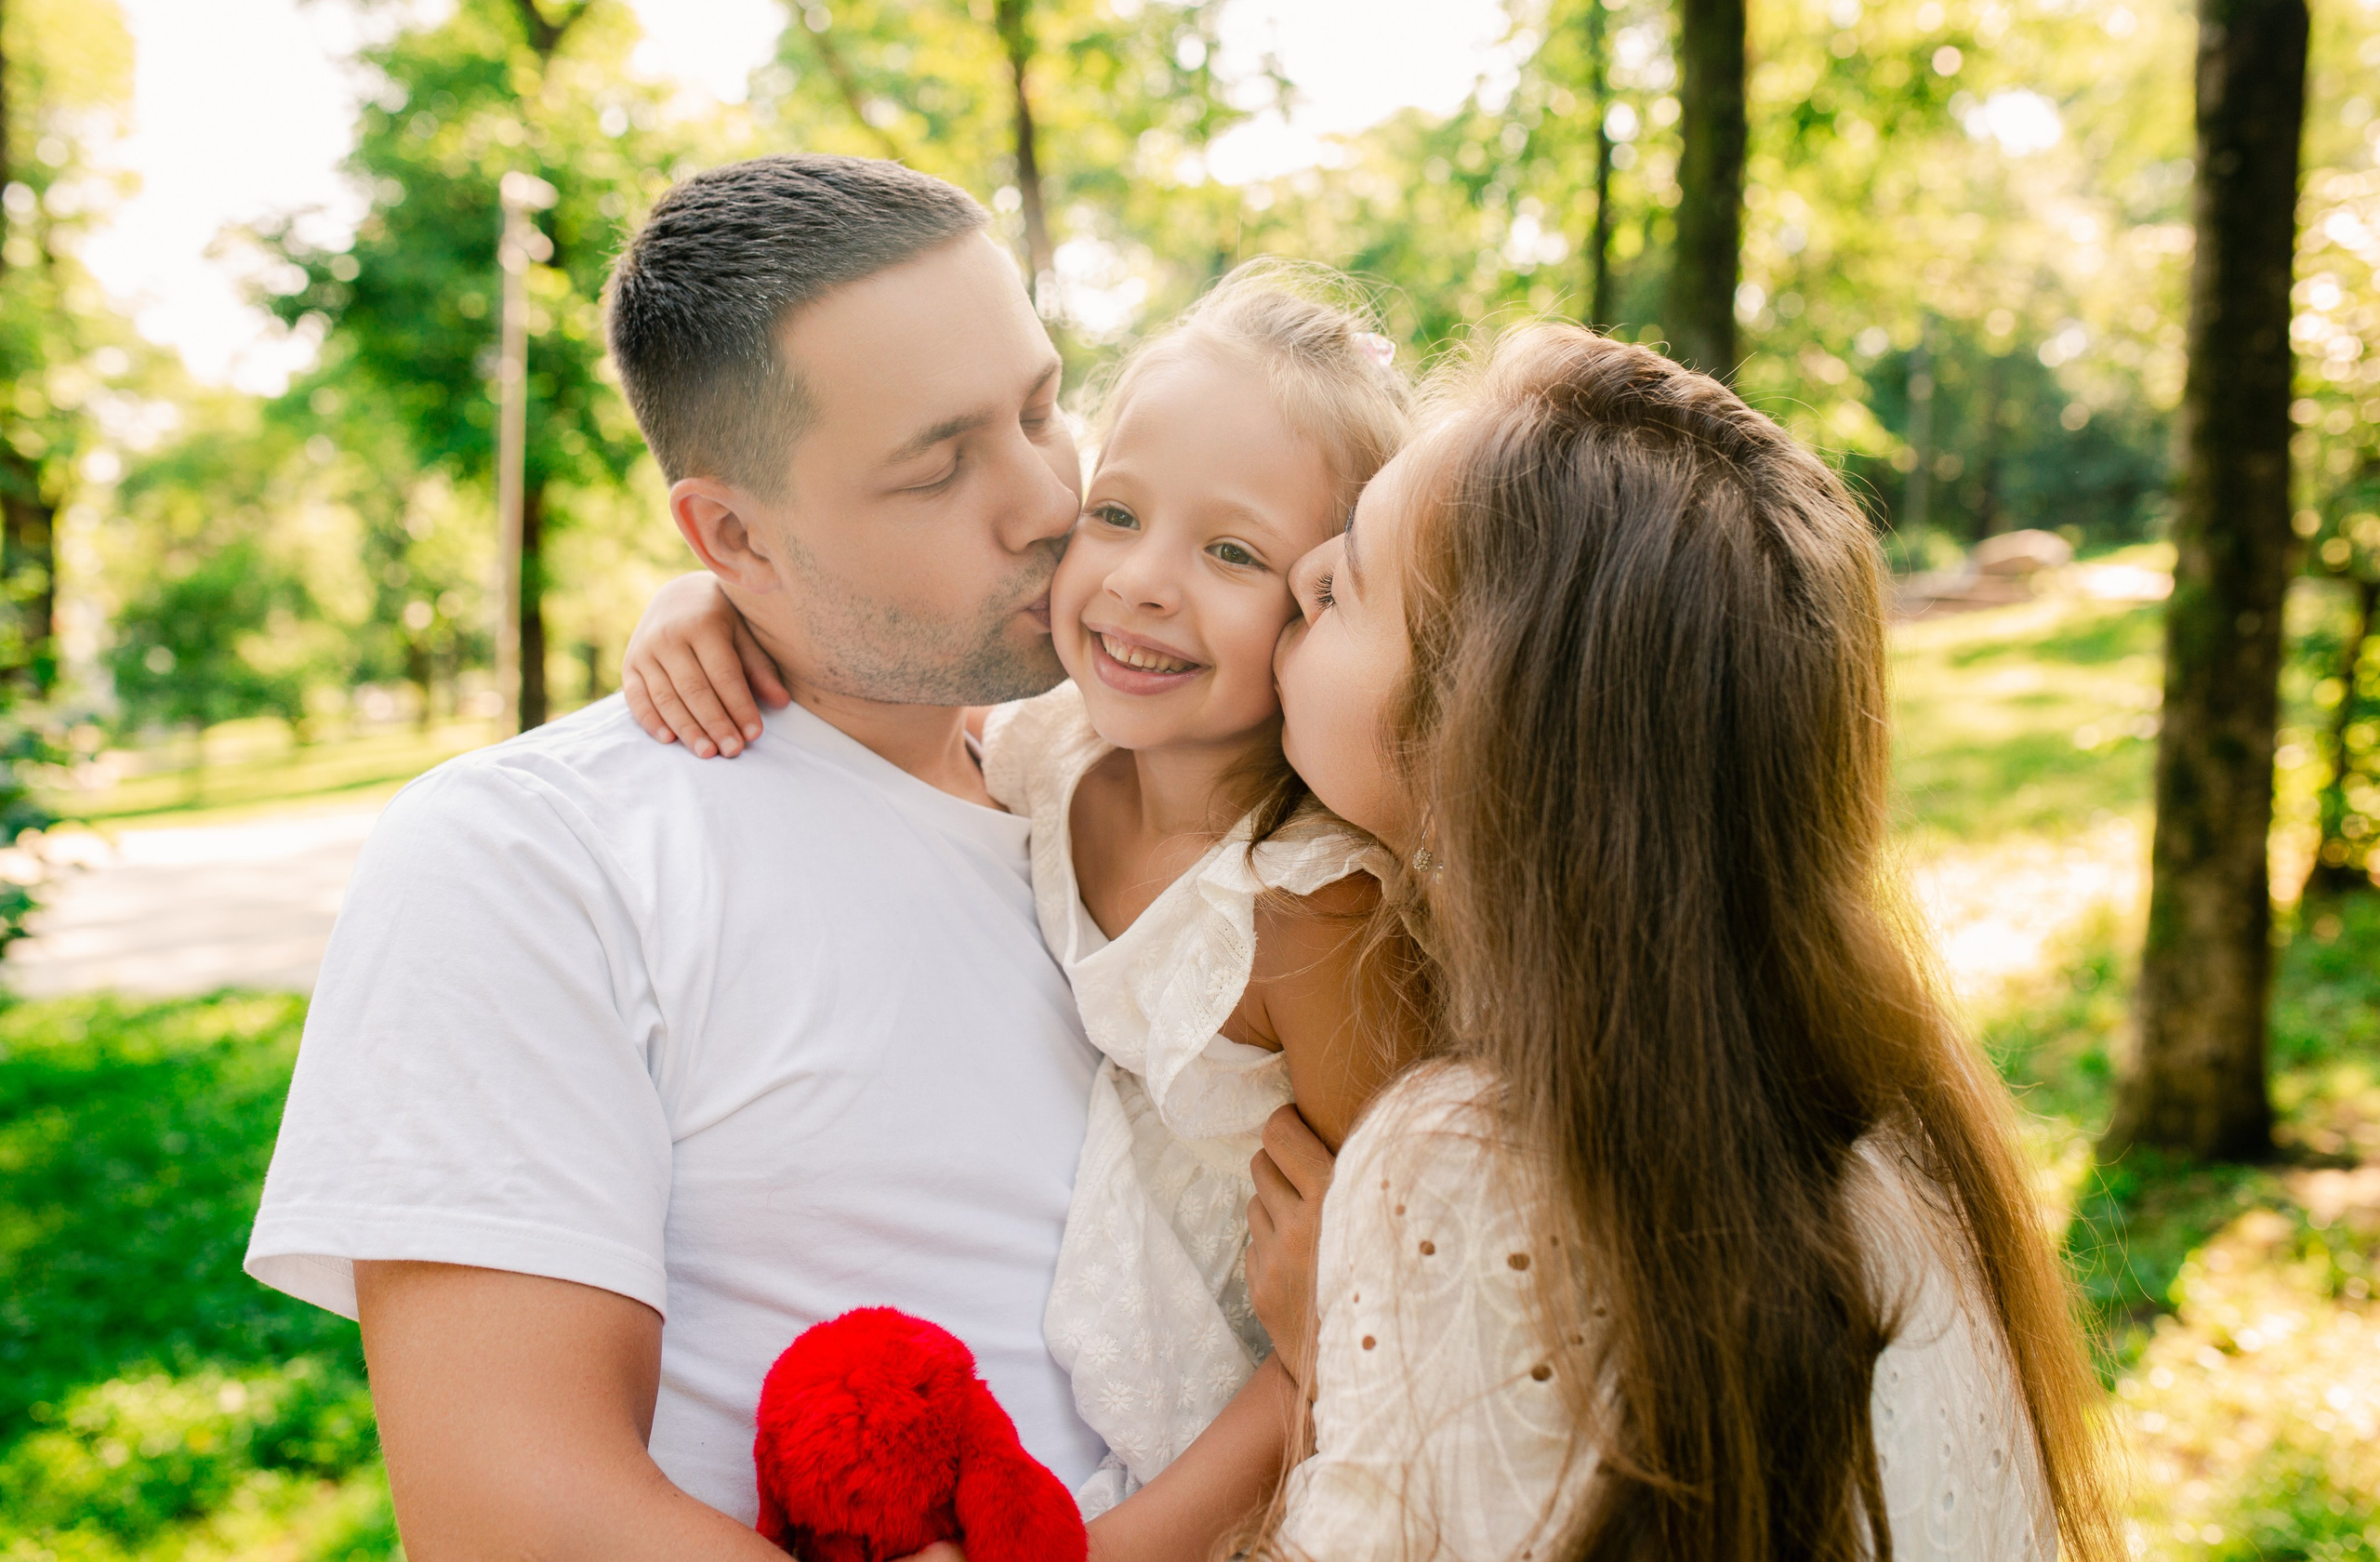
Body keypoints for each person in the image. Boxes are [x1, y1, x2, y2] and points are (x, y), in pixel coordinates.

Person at [242, 154, 1308, 1562]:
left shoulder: (1134, 780)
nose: (1048, 498)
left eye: (1045, 406)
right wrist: (1307, 1376)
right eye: (938, 467)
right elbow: (514, 1516)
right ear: (732, 534)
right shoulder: (532, 858)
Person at [1235, 324, 2119, 1561]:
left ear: (1477, 746)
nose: (1301, 574)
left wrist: (1327, 1363)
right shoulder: (1910, 1140)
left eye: (1351, 584)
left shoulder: (1466, 1163)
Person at [621, 262, 1429, 1516]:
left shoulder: (1305, 912)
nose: (1143, 580)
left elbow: (1380, 1305)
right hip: (1090, 1389)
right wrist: (706, 604)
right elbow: (846, 651)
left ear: (1325, 599)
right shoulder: (1049, 754)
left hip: (1262, 1442)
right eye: (1115, 514)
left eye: (1230, 550)